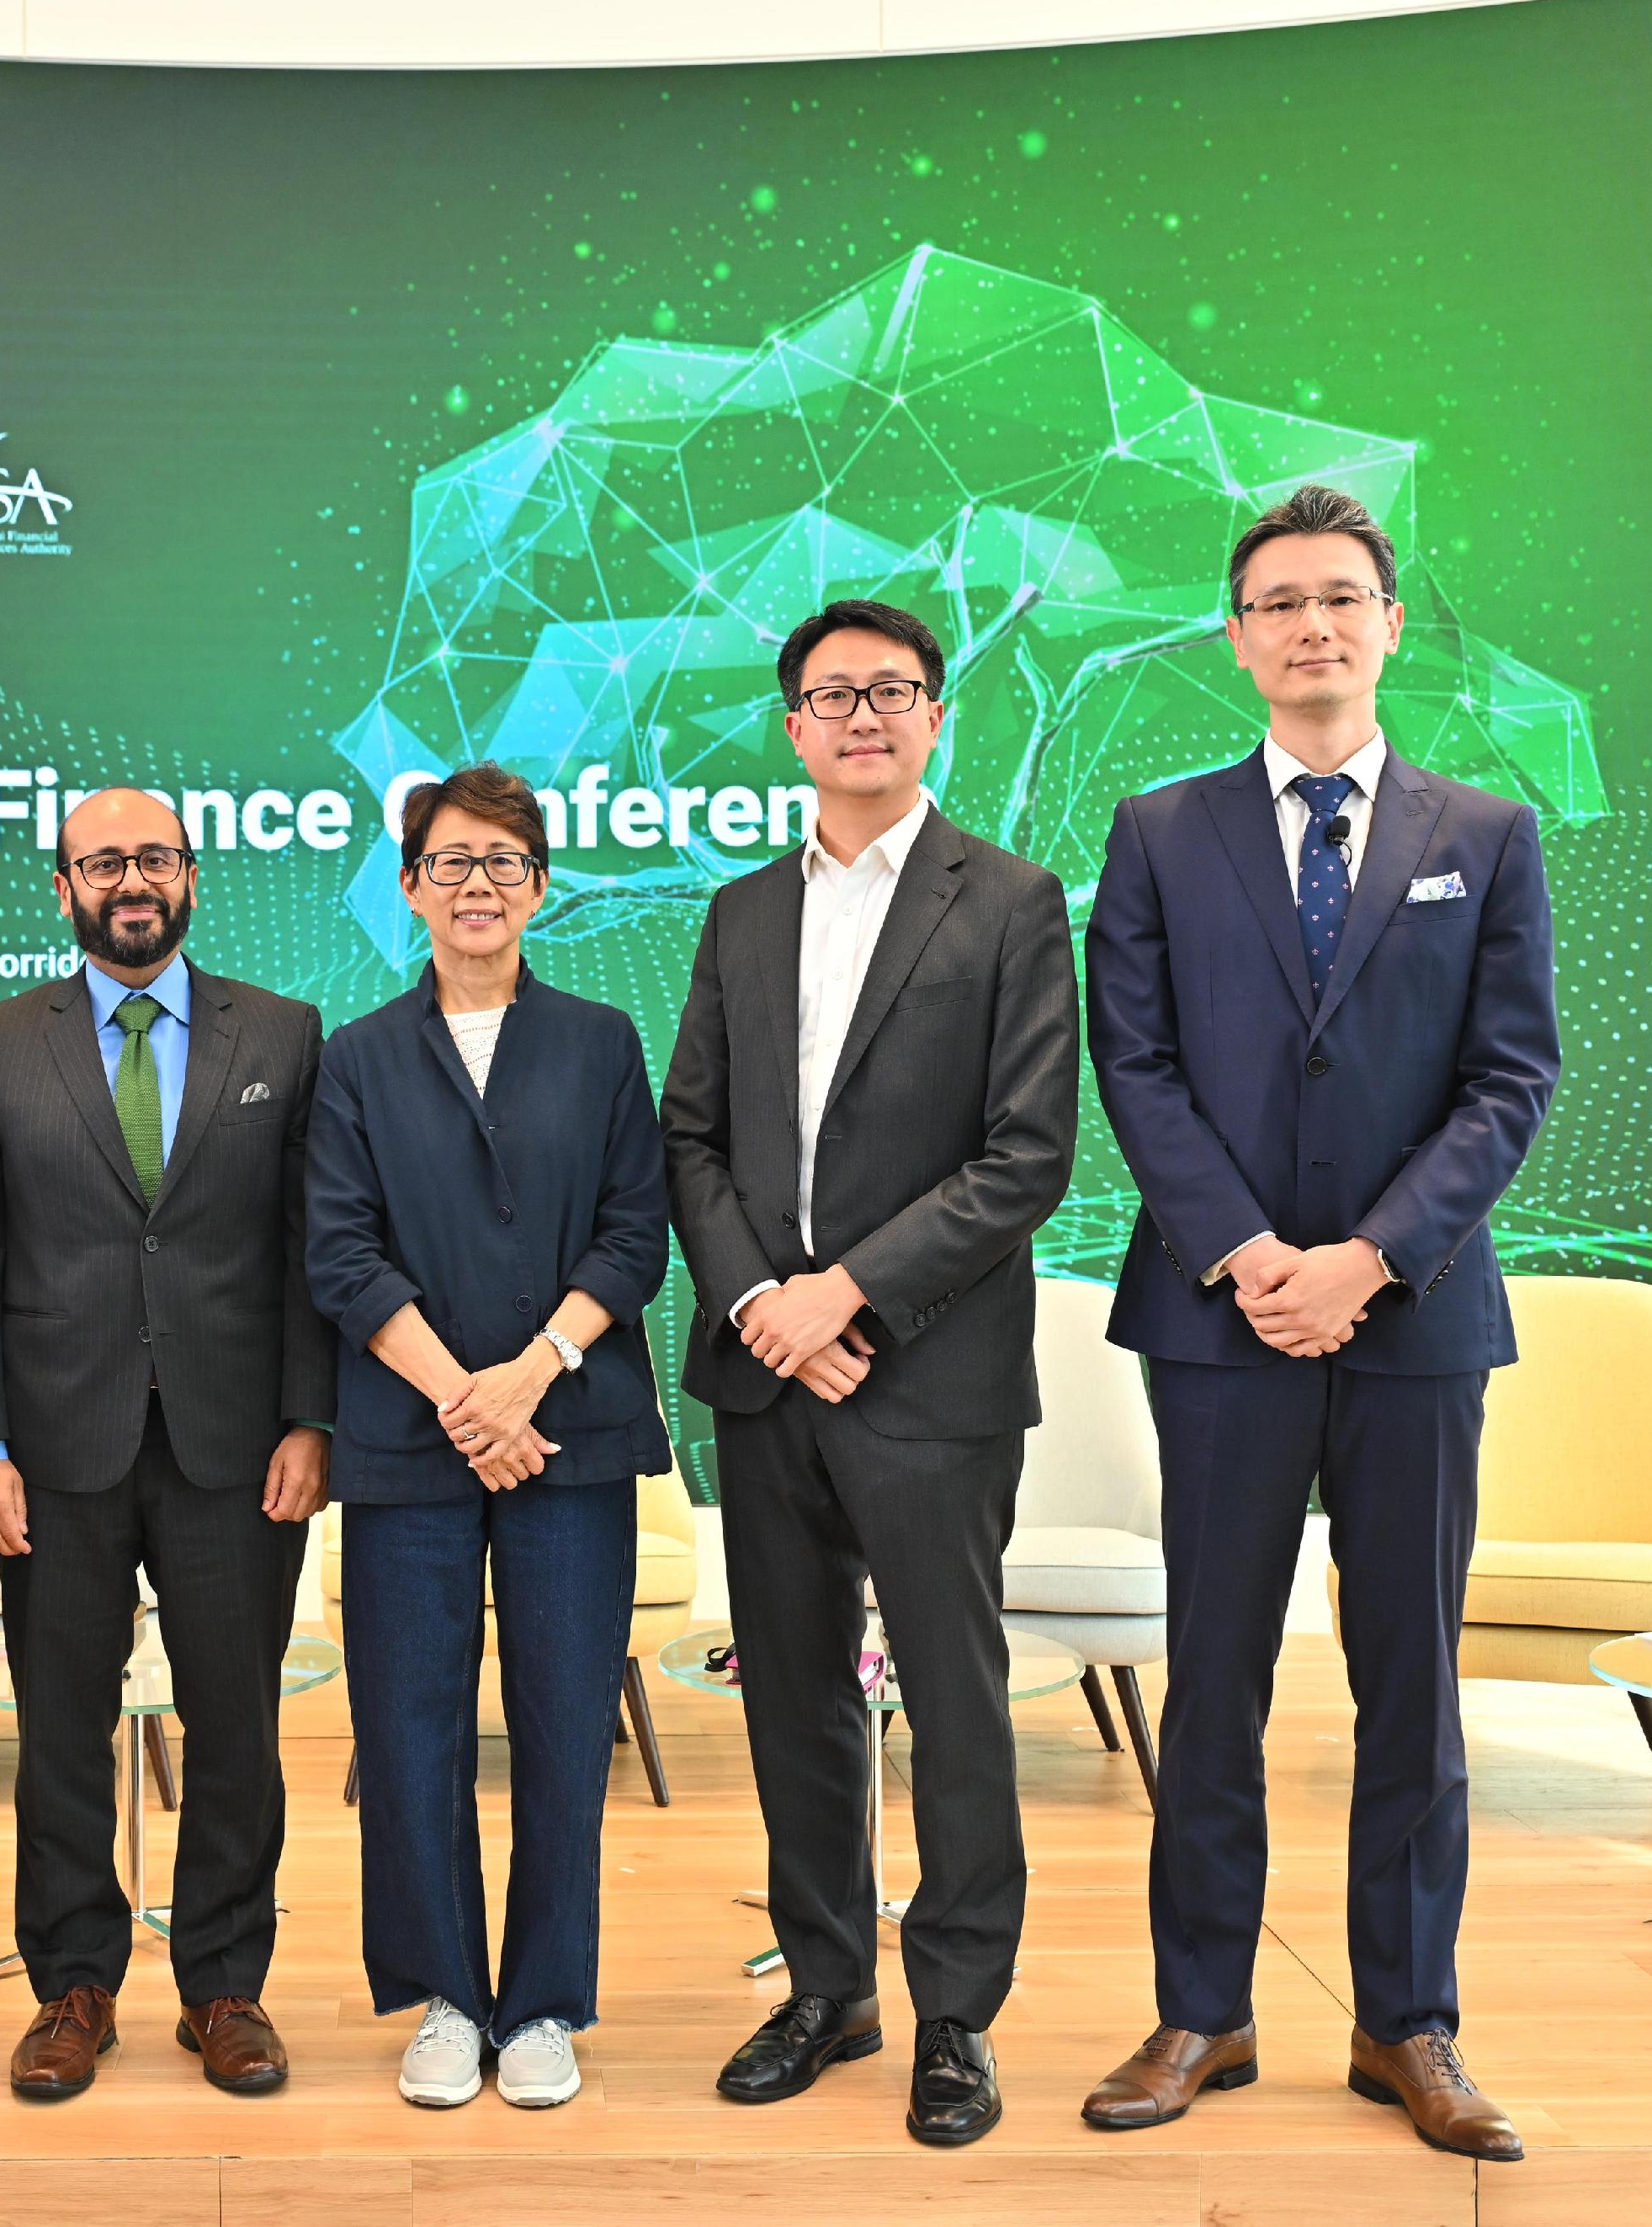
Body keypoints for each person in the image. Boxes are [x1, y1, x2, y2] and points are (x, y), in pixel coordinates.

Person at [1078, 485, 1557, 2162]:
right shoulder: (1154, 828)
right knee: (1208, 1680)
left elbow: (1511, 1078)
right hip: (1218, 1327)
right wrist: (1246, 1255)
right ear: (1234, 636)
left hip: (1414, 1322)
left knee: (1407, 1689)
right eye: (1275, 601)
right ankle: (1199, 2007)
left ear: (1389, 623)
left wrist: (1365, 1256)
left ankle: (1403, 2020)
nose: (1309, 626)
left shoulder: (1483, 833)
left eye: (1339, 597)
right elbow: (1129, 1062)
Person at [661, 599, 1081, 2147]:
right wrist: (766, 1301)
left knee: (957, 1707)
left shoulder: (1015, 902)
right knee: (792, 1698)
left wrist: (851, 1294)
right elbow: (692, 1137)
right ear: (791, 726)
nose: (861, 717)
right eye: (831, 695)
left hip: (931, 1377)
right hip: (770, 1375)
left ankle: (957, 2015)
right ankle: (829, 1987)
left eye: (891, 692)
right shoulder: (739, 912)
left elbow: (1028, 1154)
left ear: (934, 716)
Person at [0, 788, 337, 2101]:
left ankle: (224, 1986)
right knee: (61, 1729)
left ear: (192, 875)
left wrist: (311, 1417)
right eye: (103, 861)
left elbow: (309, 1250)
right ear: (62, 888)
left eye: (154, 856)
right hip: (54, 1450)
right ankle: (71, 1989)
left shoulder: (281, 1031)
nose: (131, 879)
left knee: (237, 1729)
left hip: (239, 1446)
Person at [303, 765, 673, 2113]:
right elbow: (339, 1254)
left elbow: (637, 1231)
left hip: (569, 1430)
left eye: (504, 863)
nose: (476, 885)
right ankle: (449, 1999)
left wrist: (529, 1376)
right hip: (410, 1443)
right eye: (451, 863)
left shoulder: (601, 1040)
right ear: (409, 887)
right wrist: (465, 1397)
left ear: (541, 887)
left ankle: (545, 2006)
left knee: (567, 1724)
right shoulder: (354, 1057)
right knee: (409, 1727)